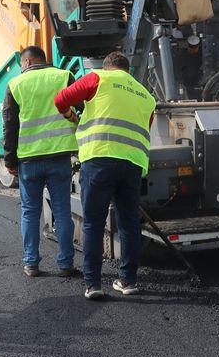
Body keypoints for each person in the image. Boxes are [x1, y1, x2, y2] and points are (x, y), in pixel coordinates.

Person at [54, 51, 156, 300]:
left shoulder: (97, 78)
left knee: (93, 222)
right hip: (132, 164)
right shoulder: (146, 95)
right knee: (129, 223)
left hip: (99, 158)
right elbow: (145, 127)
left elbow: (61, 99)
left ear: (107, 66)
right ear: (128, 71)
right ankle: (128, 281)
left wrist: (72, 117)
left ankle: (93, 284)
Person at [2, 46, 78, 278]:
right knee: (62, 211)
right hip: (59, 156)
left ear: (27, 62)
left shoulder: (16, 84)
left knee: (30, 212)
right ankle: (66, 264)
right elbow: (81, 110)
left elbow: (9, 124)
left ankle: (31, 263)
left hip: (29, 160)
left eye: (21, 65)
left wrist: (10, 159)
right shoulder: (64, 77)